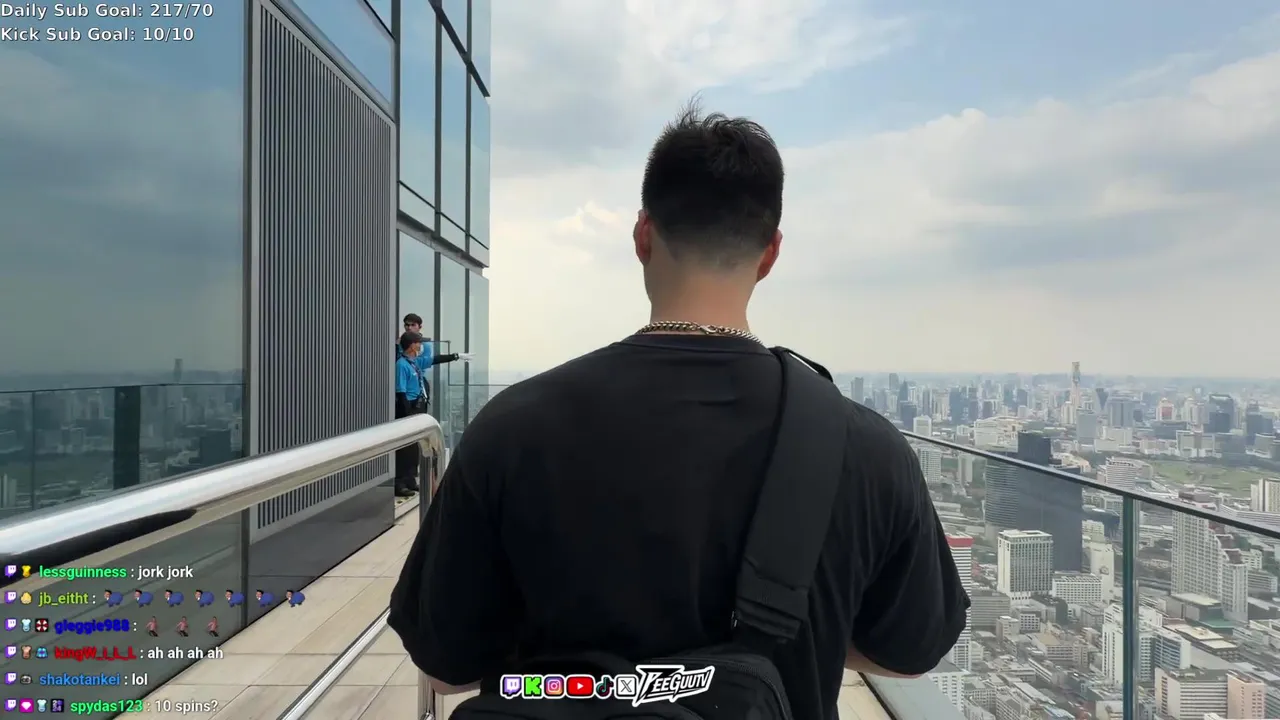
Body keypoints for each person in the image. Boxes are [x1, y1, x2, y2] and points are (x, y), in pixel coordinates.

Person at [389, 104, 969, 720]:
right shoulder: (866, 449)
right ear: (770, 253)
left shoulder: (510, 429)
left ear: (643, 236)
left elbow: (444, 670)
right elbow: (910, 655)